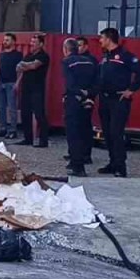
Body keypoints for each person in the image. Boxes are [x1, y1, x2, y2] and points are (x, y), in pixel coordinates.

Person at [96, 28, 140, 177]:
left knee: (116, 132)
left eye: (102, 38)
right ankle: (112, 163)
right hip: (105, 99)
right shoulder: (105, 57)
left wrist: (131, 89)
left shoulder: (125, 56)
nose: (100, 41)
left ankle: (120, 166)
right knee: (107, 133)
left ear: (108, 39)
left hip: (118, 100)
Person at [60, 38, 98, 176]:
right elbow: (97, 80)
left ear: (66, 49)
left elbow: (70, 83)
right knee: (85, 129)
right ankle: (85, 156)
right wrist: (89, 93)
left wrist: (78, 93)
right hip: (88, 99)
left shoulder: (67, 62)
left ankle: (77, 166)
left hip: (74, 99)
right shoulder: (90, 61)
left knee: (73, 133)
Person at [16, 33, 50, 148]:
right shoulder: (28, 55)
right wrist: (18, 82)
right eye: (31, 42)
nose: (32, 44)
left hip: (37, 88)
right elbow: (20, 69)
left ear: (41, 44)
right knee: (25, 113)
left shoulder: (43, 56)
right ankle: (28, 138)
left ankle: (43, 140)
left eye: (34, 42)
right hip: (26, 87)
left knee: (39, 114)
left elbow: (33, 66)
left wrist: (24, 65)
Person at [0, 33, 23, 139]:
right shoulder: (2, 54)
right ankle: (2, 128)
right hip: (1, 83)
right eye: (4, 40)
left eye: (7, 40)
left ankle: (13, 130)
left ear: (13, 41)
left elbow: (20, 70)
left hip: (11, 83)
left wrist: (18, 83)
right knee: (1, 108)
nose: (5, 42)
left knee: (12, 108)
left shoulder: (18, 55)